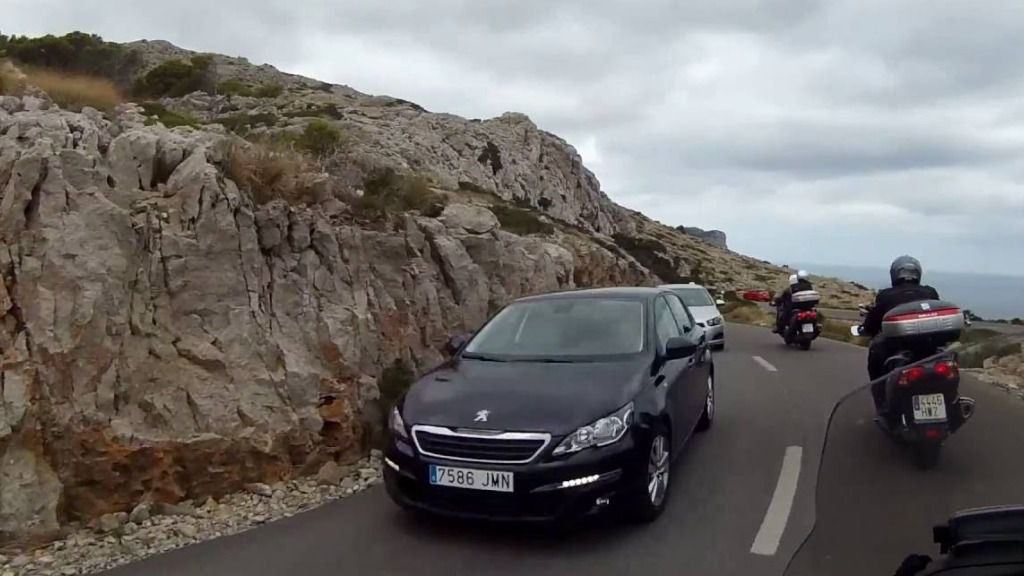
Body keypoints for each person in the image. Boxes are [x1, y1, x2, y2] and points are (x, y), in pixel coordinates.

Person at [861, 256, 940, 414]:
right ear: (918, 273)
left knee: (875, 357)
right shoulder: (930, 292)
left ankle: (881, 400)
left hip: (895, 347)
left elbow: (873, 322)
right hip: (929, 346)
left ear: (895, 274)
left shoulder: (886, 295)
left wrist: (866, 329)